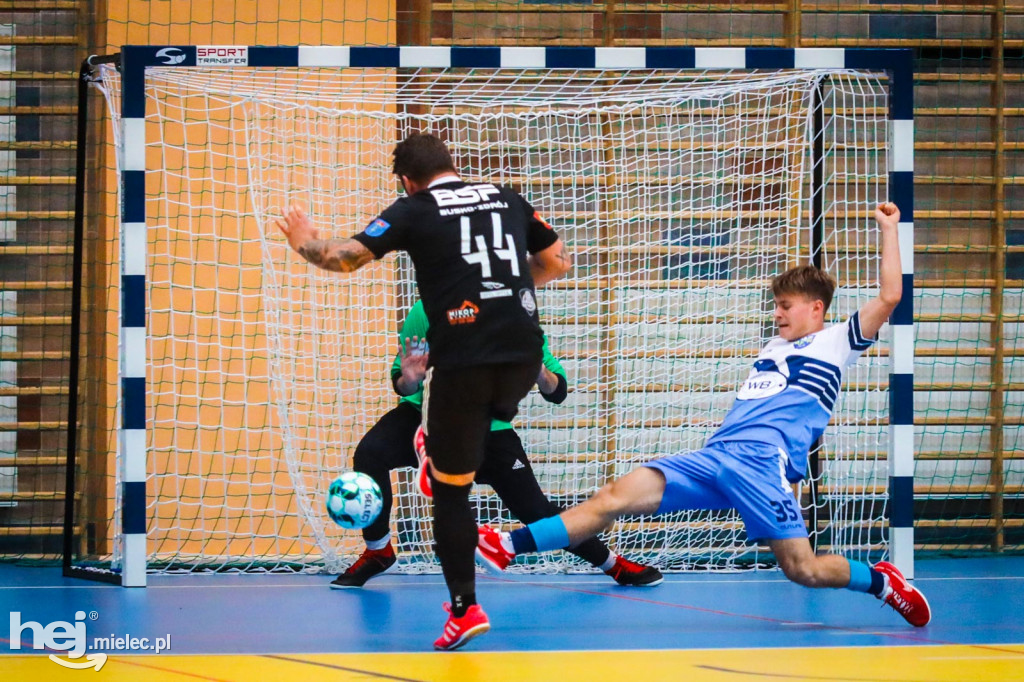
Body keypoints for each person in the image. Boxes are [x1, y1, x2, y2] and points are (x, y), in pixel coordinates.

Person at [477, 203, 933, 628]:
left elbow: (891, 295)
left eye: (785, 306)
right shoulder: (774, 347)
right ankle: (507, 544)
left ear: (816, 308)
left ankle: (881, 580)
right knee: (612, 497)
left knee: (804, 570)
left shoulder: (837, 342)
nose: (777, 314)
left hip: (760, 464)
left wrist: (890, 230)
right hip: (716, 457)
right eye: (775, 305)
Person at [276, 132, 572, 650]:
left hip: (467, 359)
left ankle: (464, 608)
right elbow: (556, 262)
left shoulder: (414, 207)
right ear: (452, 164)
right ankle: (445, 445)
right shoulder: (507, 196)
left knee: (450, 490)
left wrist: (304, 240)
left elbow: (343, 258)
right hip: (524, 356)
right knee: (479, 428)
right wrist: (505, 287)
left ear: (408, 180)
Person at [330, 299, 663, 590]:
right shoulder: (427, 308)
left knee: (536, 512)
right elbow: (402, 384)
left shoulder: (516, 318)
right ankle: (378, 550)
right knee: (370, 453)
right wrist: (411, 376)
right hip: (426, 415)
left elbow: (557, 391)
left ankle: (613, 564)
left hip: (489, 429)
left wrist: (538, 372)